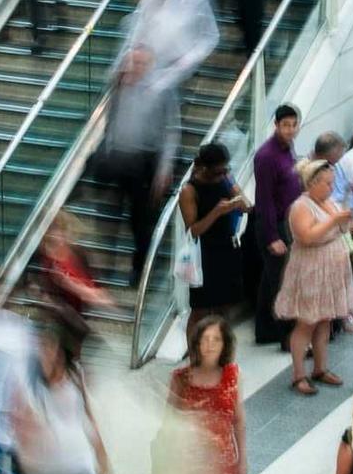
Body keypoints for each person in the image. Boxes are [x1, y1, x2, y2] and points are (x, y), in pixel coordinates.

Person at [275, 160, 353, 395]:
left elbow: (340, 228)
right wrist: (335, 221)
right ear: (312, 183)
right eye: (327, 183)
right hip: (311, 268)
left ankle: (320, 368)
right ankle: (298, 374)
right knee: (307, 322)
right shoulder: (300, 207)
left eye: (332, 183)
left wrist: (352, 224)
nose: (331, 188)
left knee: (325, 319)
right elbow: (306, 237)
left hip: (332, 267)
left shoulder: (329, 202)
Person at [96, 46, 179, 280]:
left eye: (141, 63)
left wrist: (165, 167)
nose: (136, 68)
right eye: (133, 62)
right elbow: (110, 120)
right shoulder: (119, 86)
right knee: (109, 213)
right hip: (118, 158)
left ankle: (140, 268)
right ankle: (107, 266)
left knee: (140, 220)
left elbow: (171, 130)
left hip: (145, 160)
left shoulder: (161, 90)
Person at [8, 321, 110, 474]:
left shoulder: (76, 376)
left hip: (77, 465)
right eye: (41, 348)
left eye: (48, 348)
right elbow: (18, 425)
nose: (43, 354)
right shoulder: (28, 383)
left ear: (61, 352)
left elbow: (88, 417)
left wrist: (101, 457)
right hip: (44, 472)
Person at [149, 316, 246, 474]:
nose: (210, 345)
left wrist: (242, 460)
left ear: (224, 344)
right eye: (205, 339)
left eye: (216, 339)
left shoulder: (233, 375)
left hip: (221, 464)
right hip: (187, 463)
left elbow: (238, 420)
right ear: (197, 344)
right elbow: (169, 421)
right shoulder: (181, 379)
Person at [179, 142, 247, 333]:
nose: (222, 174)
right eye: (218, 172)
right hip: (203, 254)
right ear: (204, 168)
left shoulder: (226, 180)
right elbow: (192, 231)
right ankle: (195, 358)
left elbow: (246, 206)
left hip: (226, 248)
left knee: (225, 306)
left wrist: (234, 189)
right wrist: (216, 212)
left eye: (225, 170)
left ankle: (221, 355)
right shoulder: (189, 190)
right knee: (200, 309)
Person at [250, 104, 302, 347]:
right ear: (276, 125)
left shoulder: (287, 149)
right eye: (285, 125)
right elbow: (265, 200)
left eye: (294, 125)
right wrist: (272, 236)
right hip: (273, 225)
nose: (290, 130)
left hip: (286, 222)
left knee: (269, 280)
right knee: (282, 282)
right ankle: (287, 337)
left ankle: (265, 331)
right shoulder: (266, 156)